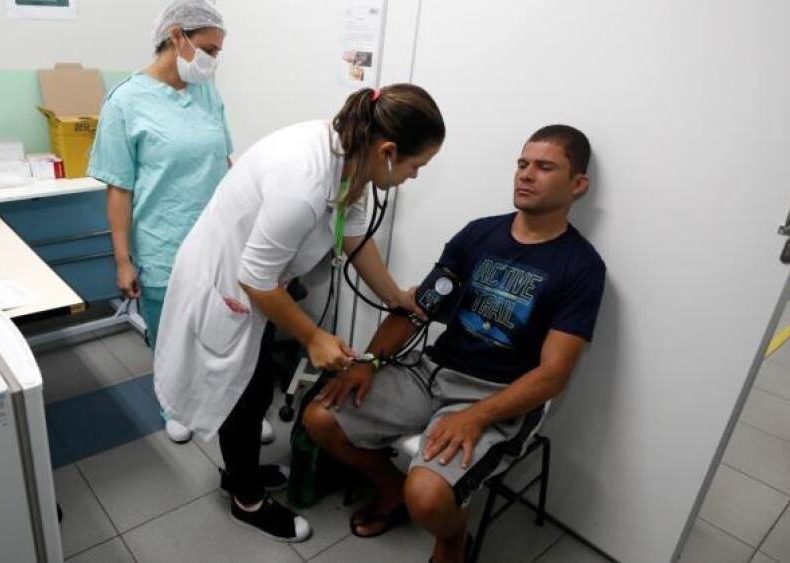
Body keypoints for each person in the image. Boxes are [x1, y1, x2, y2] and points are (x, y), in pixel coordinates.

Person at [154, 84, 446, 542]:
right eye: (415, 165)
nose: (414, 176)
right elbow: (255, 279)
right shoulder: (304, 182)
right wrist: (313, 337)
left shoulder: (352, 158)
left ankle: (240, 473)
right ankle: (246, 499)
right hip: (230, 286)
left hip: (259, 288)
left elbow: (354, 237)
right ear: (388, 151)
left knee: (254, 386)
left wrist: (394, 297)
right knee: (243, 394)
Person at [304, 125, 606, 562]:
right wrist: (368, 361)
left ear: (578, 184)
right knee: (321, 419)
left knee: (427, 494)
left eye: (544, 167)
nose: (526, 175)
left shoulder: (581, 268)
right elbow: (418, 309)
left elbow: (553, 374)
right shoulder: (479, 235)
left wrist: (478, 416)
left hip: (497, 395)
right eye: (522, 164)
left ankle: (452, 542)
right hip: (433, 372)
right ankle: (391, 491)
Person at [88, 0, 272, 444]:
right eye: (209, 49)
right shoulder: (125, 102)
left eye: (218, 51)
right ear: (177, 37)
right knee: (171, 332)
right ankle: (174, 403)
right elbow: (119, 188)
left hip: (217, 239)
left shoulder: (206, 91)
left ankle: (234, 409)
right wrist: (122, 260)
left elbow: (226, 163)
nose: (214, 60)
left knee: (223, 327)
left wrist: (248, 222)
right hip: (162, 240)